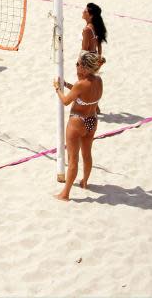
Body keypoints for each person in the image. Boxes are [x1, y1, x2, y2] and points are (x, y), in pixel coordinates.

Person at [52, 51, 103, 201]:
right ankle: (85, 182)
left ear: (85, 68)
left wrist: (57, 88)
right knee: (87, 154)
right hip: (92, 121)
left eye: (78, 64)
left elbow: (66, 101)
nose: (76, 66)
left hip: (77, 122)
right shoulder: (98, 81)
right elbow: (80, 93)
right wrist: (67, 84)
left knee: (73, 159)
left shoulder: (81, 84)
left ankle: (65, 194)